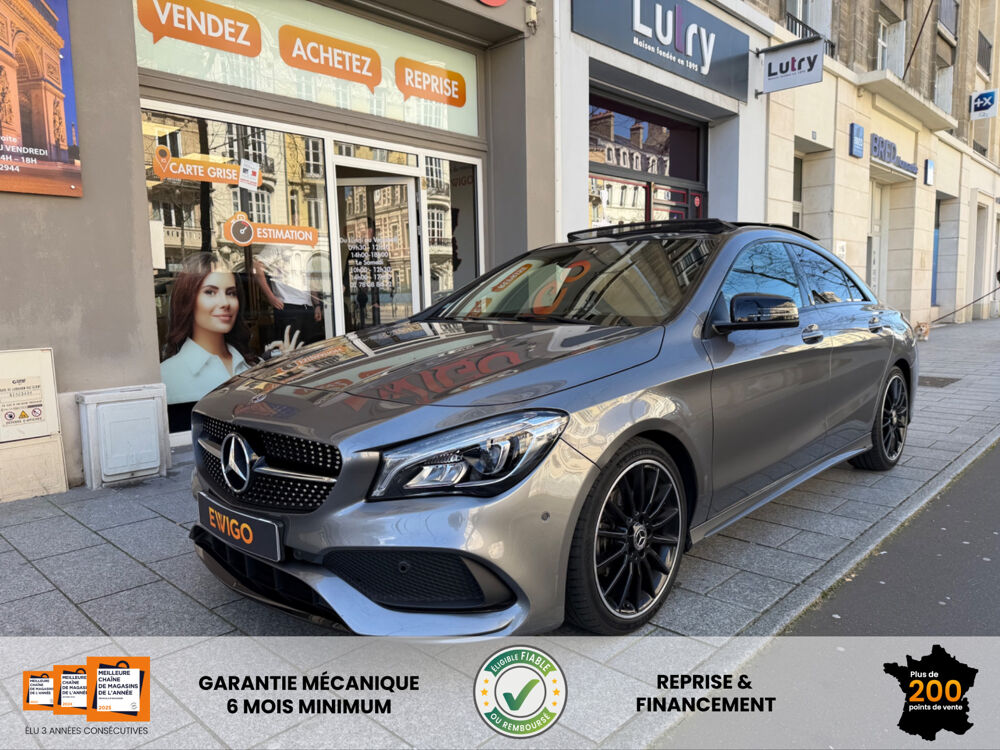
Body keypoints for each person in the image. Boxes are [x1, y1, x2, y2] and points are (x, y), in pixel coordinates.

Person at [160, 253, 257, 407]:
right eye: (210, 292)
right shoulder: (166, 376)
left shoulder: (253, 365)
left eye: (231, 293)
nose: (225, 303)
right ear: (188, 299)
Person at [252, 246, 324, 346]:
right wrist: (270, 297)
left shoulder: (306, 246)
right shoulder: (278, 243)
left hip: (307, 307)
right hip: (288, 306)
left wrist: (316, 304)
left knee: (309, 348)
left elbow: (310, 277)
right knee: (290, 348)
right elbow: (257, 267)